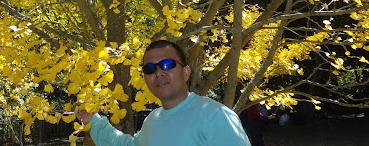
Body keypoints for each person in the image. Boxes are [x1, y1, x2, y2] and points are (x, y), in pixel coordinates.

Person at [75, 39, 251, 146]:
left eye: (167, 64)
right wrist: (93, 120)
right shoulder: (152, 120)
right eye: (149, 68)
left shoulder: (216, 115)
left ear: (186, 72)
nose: (158, 72)